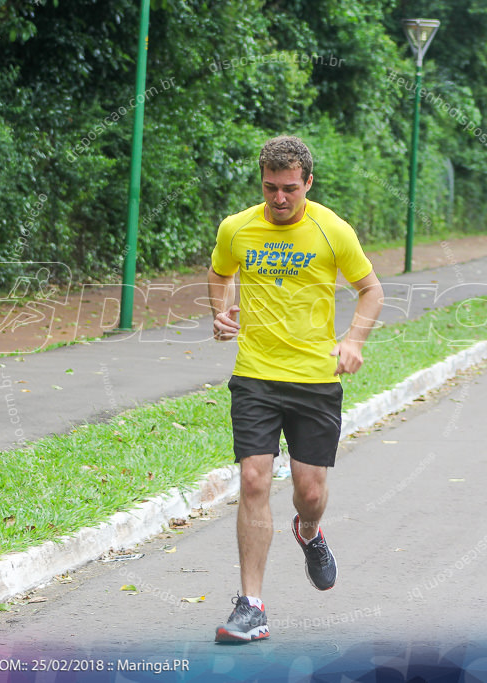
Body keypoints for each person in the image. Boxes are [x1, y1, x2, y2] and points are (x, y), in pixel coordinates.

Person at [207, 135, 384, 643]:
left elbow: (370, 289)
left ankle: (309, 532)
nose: (279, 199)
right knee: (255, 480)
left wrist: (353, 340)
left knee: (309, 492)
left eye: (289, 189)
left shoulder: (332, 230)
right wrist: (220, 312)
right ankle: (252, 605)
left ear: (308, 182)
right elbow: (219, 273)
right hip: (256, 374)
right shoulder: (237, 227)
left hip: (315, 379)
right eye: (270, 188)